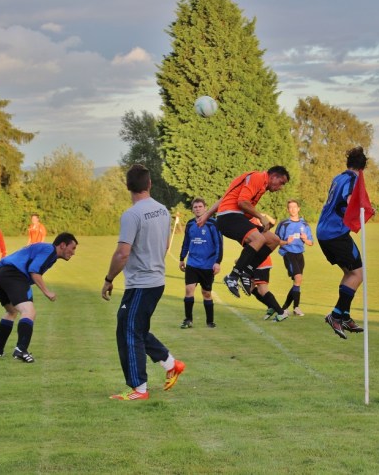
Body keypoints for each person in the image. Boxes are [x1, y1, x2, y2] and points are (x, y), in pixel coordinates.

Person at [102, 164, 185, 401]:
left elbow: (122, 253)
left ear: (128, 186)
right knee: (133, 328)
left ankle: (138, 389)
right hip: (156, 280)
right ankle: (171, 364)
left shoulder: (132, 215)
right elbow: (165, 245)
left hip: (141, 283)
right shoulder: (162, 210)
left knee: (128, 330)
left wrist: (108, 279)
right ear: (149, 184)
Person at [197, 166, 290, 298]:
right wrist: (260, 217)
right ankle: (233, 276)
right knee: (258, 239)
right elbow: (242, 202)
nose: (281, 187)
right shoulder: (258, 178)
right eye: (281, 183)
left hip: (235, 217)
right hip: (229, 217)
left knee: (273, 240)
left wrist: (206, 215)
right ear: (274, 177)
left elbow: (224, 198)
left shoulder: (259, 183)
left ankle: (246, 271)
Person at [0, 232, 78, 362]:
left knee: (12, 311)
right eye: (73, 248)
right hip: (14, 274)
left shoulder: (48, 251)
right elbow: (34, 270)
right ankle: (21, 349)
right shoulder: (49, 250)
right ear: (63, 245)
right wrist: (47, 292)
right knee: (29, 312)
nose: (73, 252)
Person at [316, 147, 368, 339]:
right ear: (362, 168)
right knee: (358, 274)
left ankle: (344, 316)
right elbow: (348, 200)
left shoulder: (338, 178)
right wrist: (363, 209)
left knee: (349, 273)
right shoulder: (353, 179)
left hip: (323, 232)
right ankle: (336, 315)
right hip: (335, 233)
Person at [178, 198, 223, 329]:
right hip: (192, 263)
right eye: (195, 207)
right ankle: (188, 320)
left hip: (208, 264)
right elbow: (186, 242)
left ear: (205, 208)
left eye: (200, 206)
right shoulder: (190, 224)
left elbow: (219, 244)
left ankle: (210, 321)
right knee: (189, 290)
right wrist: (182, 258)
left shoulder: (213, 224)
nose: (197, 209)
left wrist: (217, 262)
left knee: (206, 293)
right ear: (192, 209)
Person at [275, 199, 313, 316]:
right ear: (288, 210)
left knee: (297, 281)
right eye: (290, 207)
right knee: (298, 278)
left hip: (300, 254)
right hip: (288, 253)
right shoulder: (284, 224)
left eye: (294, 207)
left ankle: (284, 308)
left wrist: (305, 239)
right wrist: (287, 242)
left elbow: (311, 242)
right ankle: (296, 307)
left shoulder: (304, 224)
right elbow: (275, 240)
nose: (292, 209)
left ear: (298, 209)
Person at [252, 253, 289, 322]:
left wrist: (241, 261)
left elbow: (253, 250)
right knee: (250, 288)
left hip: (261, 263)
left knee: (263, 290)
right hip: (253, 264)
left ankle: (281, 313)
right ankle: (272, 306)